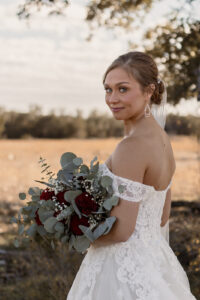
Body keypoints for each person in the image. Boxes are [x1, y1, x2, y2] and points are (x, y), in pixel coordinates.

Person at [67, 51, 197, 300]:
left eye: (123, 89)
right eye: (108, 89)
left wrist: (74, 230)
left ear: (149, 90)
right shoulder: (162, 141)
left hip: (119, 271)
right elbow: (161, 217)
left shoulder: (131, 147)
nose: (112, 98)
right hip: (153, 261)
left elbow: (122, 232)